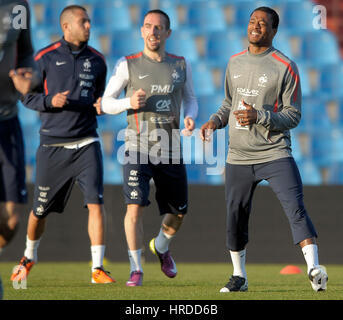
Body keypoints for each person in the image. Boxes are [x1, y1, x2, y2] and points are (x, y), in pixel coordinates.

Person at [200, 6, 328, 292]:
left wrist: (261, 116)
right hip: (238, 156)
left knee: (295, 208)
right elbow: (228, 103)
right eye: (252, 21)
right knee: (235, 216)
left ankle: (314, 269)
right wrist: (214, 121)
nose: (256, 26)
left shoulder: (285, 66)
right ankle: (239, 277)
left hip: (275, 153)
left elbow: (293, 115)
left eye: (263, 23)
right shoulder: (234, 62)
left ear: (273, 31)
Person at [10, 5, 115, 284]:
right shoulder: (43, 57)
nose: (89, 26)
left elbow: (101, 97)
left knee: (95, 202)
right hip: (53, 146)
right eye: (83, 22)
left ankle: (97, 268)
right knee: (39, 210)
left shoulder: (98, 60)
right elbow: (25, 96)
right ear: (66, 27)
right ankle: (29, 256)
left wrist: (102, 106)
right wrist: (49, 101)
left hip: (87, 143)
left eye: (90, 22)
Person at [95, 9, 198, 286]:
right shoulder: (128, 64)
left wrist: (190, 118)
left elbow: (191, 99)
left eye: (159, 28)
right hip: (136, 146)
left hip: (170, 147)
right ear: (142, 31)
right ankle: (136, 268)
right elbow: (105, 103)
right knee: (134, 208)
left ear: (168, 33)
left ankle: (161, 246)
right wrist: (129, 103)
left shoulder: (180, 64)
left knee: (178, 212)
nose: (153, 32)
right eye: (148, 26)